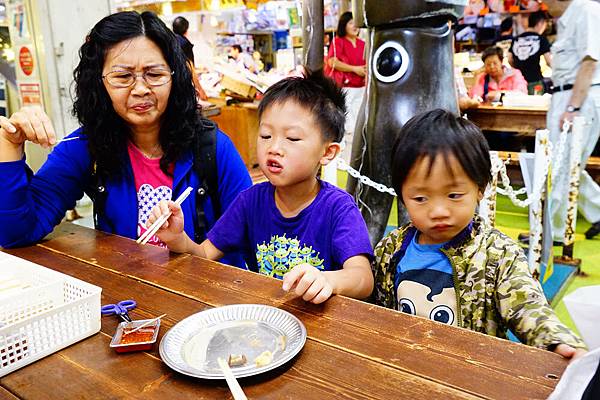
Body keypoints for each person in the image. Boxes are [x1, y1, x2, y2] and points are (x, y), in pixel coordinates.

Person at [0, 11, 252, 267]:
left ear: (174, 78)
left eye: (154, 74)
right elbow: (17, 233)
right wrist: (9, 147)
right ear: (100, 83)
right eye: (123, 76)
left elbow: (250, 234)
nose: (141, 89)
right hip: (128, 297)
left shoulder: (212, 147)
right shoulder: (86, 147)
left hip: (209, 299)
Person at [371, 109, 586, 360]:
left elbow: (527, 305)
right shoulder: (391, 249)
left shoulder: (498, 254)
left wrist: (557, 341)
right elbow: (376, 308)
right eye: (420, 198)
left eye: (454, 195)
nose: (439, 211)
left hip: (474, 373)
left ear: (480, 188)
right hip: (407, 365)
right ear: (403, 197)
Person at [148, 71, 374, 304]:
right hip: (267, 322)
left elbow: (363, 278)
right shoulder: (250, 202)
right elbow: (205, 255)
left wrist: (329, 281)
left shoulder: (338, 207)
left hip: (325, 324)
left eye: (292, 138)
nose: (274, 147)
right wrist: (177, 239)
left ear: (327, 152)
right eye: (266, 135)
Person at [546, 0, 600, 241]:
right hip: (564, 95)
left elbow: (590, 61)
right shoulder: (567, 19)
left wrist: (573, 107)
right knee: (566, 163)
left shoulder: (586, 10)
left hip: (579, 96)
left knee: (564, 166)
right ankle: (598, 212)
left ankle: (555, 231)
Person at [509, 11, 552, 94]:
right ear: (540, 23)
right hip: (535, 81)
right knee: (535, 105)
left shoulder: (516, 39)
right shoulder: (541, 39)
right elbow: (549, 61)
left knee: (520, 105)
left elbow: (510, 60)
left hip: (518, 82)